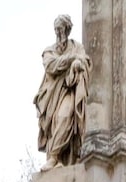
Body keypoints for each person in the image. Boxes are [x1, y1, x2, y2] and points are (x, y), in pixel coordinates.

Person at [35, 15, 91, 166]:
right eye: (56, 30)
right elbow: (51, 66)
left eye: (61, 29)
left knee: (65, 117)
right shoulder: (49, 51)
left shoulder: (77, 46)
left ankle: (55, 155)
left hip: (69, 90)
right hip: (52, 96)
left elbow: (85, 61)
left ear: (67, 29)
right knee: (56, 122)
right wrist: (73, 59)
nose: (58, 33)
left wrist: (77, 63)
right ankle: (56, 159)